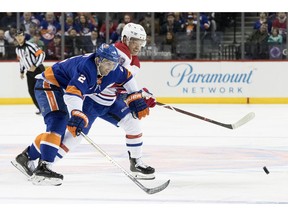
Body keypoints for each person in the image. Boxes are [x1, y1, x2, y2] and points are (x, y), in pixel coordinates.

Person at [11, 43, 151, 186]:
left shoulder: (113, 70)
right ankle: (44, 167)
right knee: (58, 123)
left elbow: (127, 77)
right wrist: (77, 113)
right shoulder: (86, 69)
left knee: (59, 127)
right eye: (107, 63)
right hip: (48, 85)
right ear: (98, 60)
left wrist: (135, 95)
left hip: (62, 89)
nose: (110, 68)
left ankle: (27, 157)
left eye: (113, 64)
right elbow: (74, 92)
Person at [15, 28, 46, 115]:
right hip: (29, 72)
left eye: (21, 35)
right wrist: (21, 71)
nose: (19, 37)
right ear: (16, 38)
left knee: (41, 90)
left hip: (38, 70)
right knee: (31, 91)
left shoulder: (30, 46)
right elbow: (21, 61)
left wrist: (35, 65)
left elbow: (41, 54)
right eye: (17, 36)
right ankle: (41, 108)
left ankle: (47, 108)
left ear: (24, 37)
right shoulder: (17, 49)